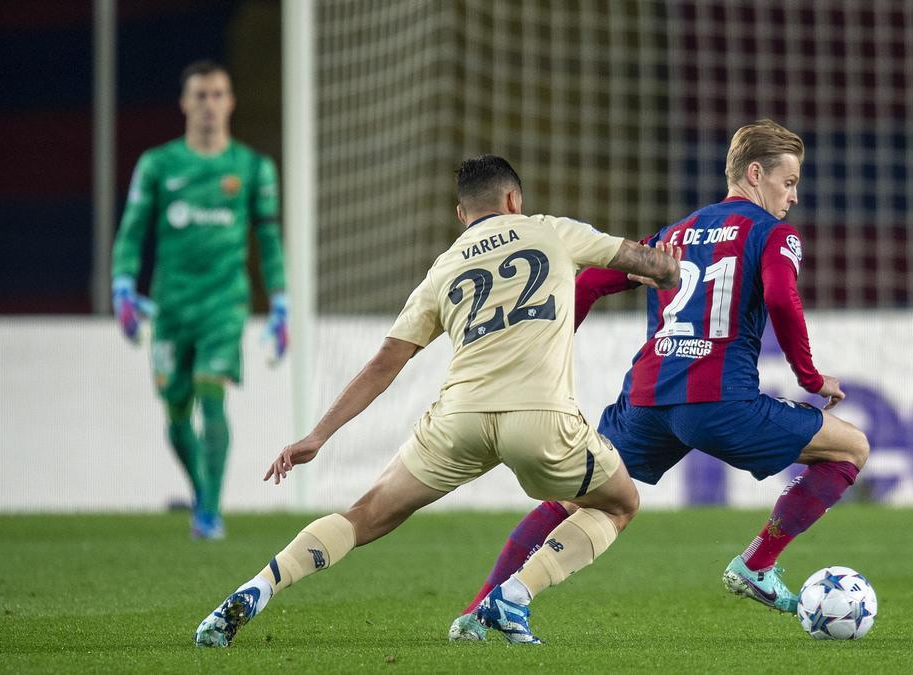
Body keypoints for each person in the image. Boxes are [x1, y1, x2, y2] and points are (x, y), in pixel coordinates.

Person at [193, 155, 681, 647]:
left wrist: (316, 436)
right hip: (540, 419)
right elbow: (650, 262)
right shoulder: (551, 231)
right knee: (619, 503)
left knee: (363, 515)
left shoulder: (444, 268)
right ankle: (514, 596)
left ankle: (258, 587)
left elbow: (384, 363)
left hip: (458, 419)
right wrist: (664, 272)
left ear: (461, 214)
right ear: (514, 200)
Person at [449, 120, 869, 641]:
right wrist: (809, 376)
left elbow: (589, 283)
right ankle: (756, 565)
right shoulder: (772, 233)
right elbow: (782, 299)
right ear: (755, 174)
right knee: (851, 447)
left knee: (580, 497)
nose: (794, 196)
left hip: (646, 402)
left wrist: (549, 349)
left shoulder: (671, 235)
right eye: (788, 182)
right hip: (721, 403)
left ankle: (479, 610)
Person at [111, 60, 288, 540]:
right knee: (175, 409)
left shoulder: (252, 168)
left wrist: (280, 302)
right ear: (185, 102)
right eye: (200, 95)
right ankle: (202, 494)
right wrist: (122, 284)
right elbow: (132, 230)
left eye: (217, 95)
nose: (209, 104)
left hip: (223, 304)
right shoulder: (159, 164)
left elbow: (269, 241)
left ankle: (209, 511)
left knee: (212, 394)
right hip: (170, 307)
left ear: (230, 102)